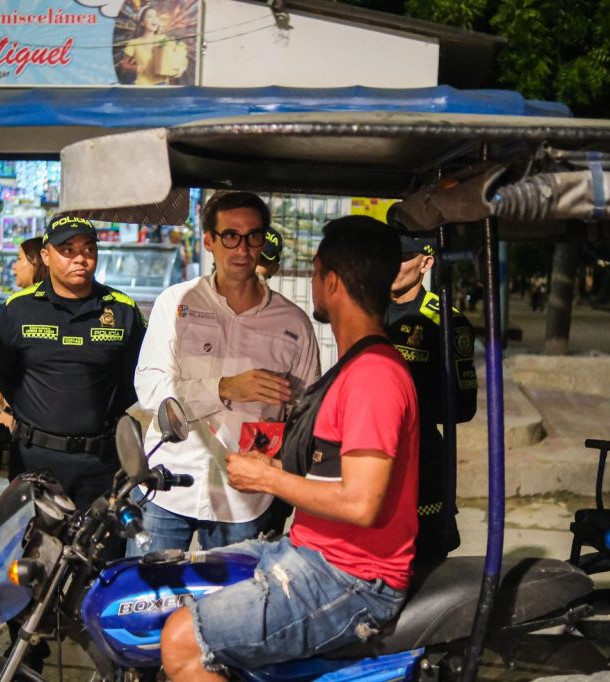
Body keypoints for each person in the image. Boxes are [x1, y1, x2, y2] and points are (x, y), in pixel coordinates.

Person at [160, 215, 419, 679]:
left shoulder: (373, 376)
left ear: (332, 281)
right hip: (312, 552)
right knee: (185, 583)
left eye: (317, 272)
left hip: (348, 578)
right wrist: (274, 463)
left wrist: (269, 478)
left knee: (181, 639)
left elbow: (361, 502)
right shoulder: (355, 366)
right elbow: (335, 474)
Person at [132, 191, 319, 555]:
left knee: (231, 605)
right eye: (230, 236)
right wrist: (226, 388)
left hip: (244, 498)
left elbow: (307, 415)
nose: (242, 249)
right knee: (147, 597)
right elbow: (150, 390)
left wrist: (279, 471)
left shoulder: (293, 323)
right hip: (169, 483)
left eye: (253, 236)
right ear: (209, 241)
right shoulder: (176, 303)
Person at [0, 216, 145, 511]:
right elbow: (6, 374)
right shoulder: (19, 309)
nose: (80, 259)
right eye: (67, 250)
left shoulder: (121, 309)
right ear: (46, 256)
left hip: (101, 463)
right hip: (35, 461)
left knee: (101, 554)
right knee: (34, 554)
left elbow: (134, 378)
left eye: (88, 249)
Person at [382, 229, 477, 563]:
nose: (393, 265)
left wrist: (404, 407)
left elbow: (464, 406)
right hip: (366, 453)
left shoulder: (445, 321)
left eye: (404, 258)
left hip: (419, 458)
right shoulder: (365, 309)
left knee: (423, 562)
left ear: (427, 262)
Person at [0, 237, 48, 427]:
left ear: (36, 262)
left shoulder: (42, 310)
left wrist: (10, 411)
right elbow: (8, 365)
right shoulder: (16, 306)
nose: (13, 267)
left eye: (19, 259)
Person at [122, 5, 188, 85]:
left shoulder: (163, 39)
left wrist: (182, 67)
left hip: (162, 85)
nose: (154, 19)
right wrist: (135, 68)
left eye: (156, 16)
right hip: (143, 86)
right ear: (142, 22)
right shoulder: (134, 43)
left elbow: (179, 56)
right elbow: (124, 64)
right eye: (150, 17)